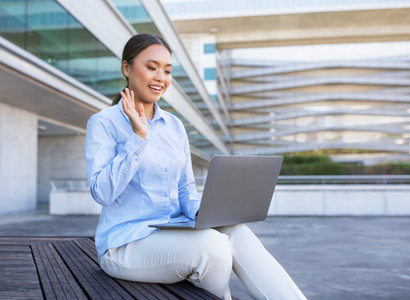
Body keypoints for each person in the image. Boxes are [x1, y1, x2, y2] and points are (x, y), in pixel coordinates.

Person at [84, 33, 307, 300]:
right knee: (212, 247)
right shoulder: (103, 123)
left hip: (174, 231)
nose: (161, 78)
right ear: (126, 68)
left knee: (236, 232)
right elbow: (102, 193)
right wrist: (138, 138)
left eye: (167, 71)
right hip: (124, 244)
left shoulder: (175, 126)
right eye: (151, 67)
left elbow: (185, 189)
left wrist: (207, 212)